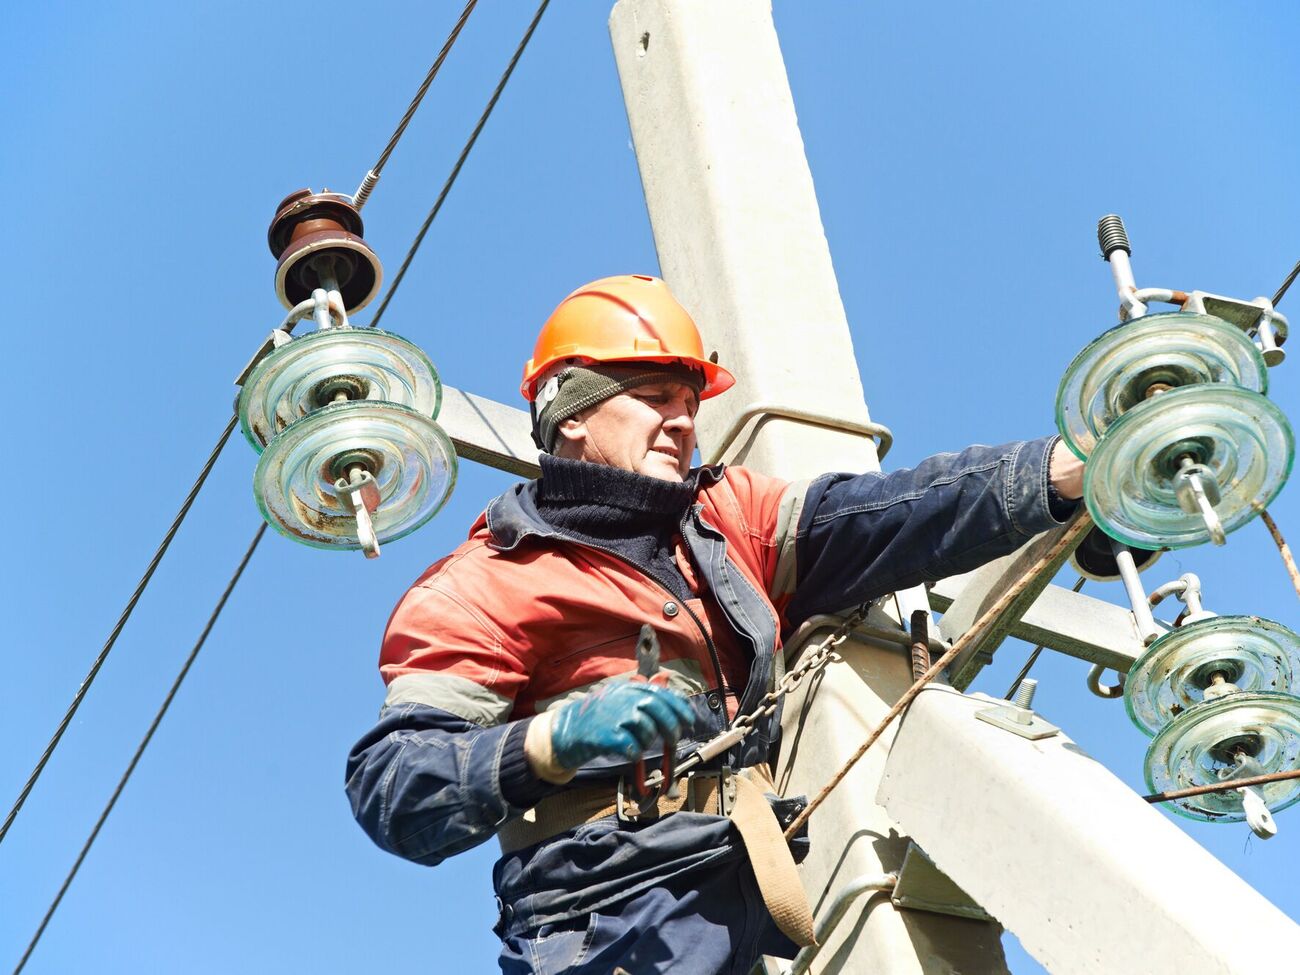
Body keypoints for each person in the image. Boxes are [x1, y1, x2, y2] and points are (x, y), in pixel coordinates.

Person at [346, 274, 1084, 974]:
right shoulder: (486, 583)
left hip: (741, 909)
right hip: (606, 925)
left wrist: (1069, 469)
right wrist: (549, 740)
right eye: (654, 396)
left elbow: (897, 511)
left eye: (691, 402)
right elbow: (394, 786)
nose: (683, 421)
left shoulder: (729, 518)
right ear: (570, 411)